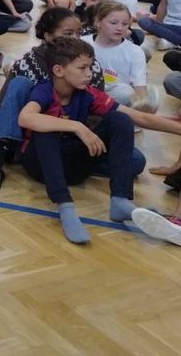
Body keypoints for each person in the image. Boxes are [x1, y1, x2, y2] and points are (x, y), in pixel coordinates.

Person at [18, 37, 138, 244]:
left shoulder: (87, 93)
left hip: (74, 166)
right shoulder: (44, 90)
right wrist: (77, 126)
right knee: (46, 127)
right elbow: (25, 118)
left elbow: (140, 118)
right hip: (41, 165)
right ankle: (65, 206)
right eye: (82, 68)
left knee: (121, 120)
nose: (89, 73)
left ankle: (120, 200)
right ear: (58, 70)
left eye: (90, 67)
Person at [0, 8, 106, 195]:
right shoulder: (27, 63)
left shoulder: (88, 63)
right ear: (47, 35)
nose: (76, 38)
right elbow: (0, 109)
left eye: (79, 33)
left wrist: (75, 128)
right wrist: (43, 121)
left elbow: (98, 110)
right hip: (34, 133)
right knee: (20, 84)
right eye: (68, 33)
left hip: (75, 135)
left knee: (135, 162)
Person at [84, 2, 152, 108]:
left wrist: (145, 104)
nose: (120, 28)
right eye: (113, 23)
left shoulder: (135, 51)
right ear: (98, 22)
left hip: (113, 97)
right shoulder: (83, 43)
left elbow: (140, 87)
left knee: (125, 92)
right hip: (85, 91)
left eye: (125, 24)